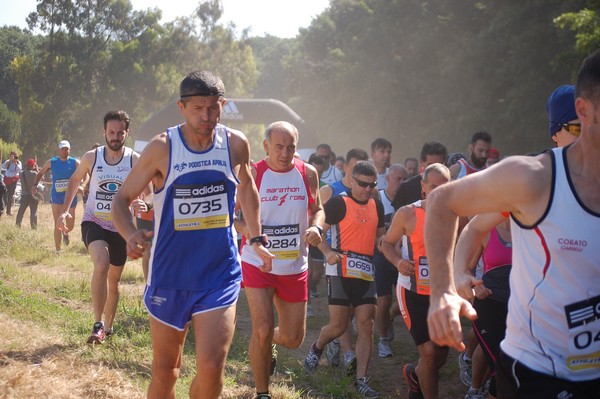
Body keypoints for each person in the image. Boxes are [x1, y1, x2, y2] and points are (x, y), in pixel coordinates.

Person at [425, 50, 600, 398]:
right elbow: (443, 202)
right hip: (538, 373)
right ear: (583, 111)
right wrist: (446, 287)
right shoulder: (533, 178)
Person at [111, 70, 273, 399]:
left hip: (219, 273)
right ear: (182, 108)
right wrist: (129, 234)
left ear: (222, 105)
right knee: (166, 371)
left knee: (212, 368)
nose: (206, 116)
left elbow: (248, 188)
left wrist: (255, 237)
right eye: (197, 108)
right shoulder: (162, 148)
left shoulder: (235, 144)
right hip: (170, 275)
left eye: (213, 108)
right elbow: (121, 199)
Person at [238, 121, 324, 399]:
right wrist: (252, 235)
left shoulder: (307, 173)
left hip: (294, 266)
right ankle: (262, 392)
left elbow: (318, 209)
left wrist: (317, 227)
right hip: (257, 262)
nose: (285, 153)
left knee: (292, 338)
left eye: (291, 148)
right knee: (261, 328)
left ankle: (267, 343)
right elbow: (234, 218)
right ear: (265, 146)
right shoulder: (253, 173)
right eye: (279, 147)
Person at [56, 110, 140, 344]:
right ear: (104, 132)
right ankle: (97, 324)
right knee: (101, 264)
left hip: (121, 227)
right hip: (94, 222)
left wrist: (146, 202)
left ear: (126, 133)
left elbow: (151, 189)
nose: (115, 137)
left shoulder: (135, 159)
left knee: (114, 281)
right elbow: (74, 180)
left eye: (119, 133)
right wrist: (65, 210)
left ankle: (109, 327)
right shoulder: (92, 157)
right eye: (111, 132)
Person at [304, 160, 385, 399]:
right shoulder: (339, 202)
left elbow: (380, 237)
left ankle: (361, 380)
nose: (367, 189)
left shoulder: (377, 205)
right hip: (340, 270)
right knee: (339, 326)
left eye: (372, 185)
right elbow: (319, 231)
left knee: (366, 324)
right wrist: (328, 253)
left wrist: (389, 246)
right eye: (363, 184)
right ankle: (317, 347)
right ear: (352, 180)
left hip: (365, 270)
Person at [381, 163, 457, 399]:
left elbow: (465, 248)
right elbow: (386, 243)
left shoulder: (458, 215)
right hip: (412, 291)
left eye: (444, 186)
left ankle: (415, 376)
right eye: (433, 186)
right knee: (429, 352)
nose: (438, 191)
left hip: (441, 294)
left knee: (441, 356)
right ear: (423, 187)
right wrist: (397, 262)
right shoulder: (407, 213)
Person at [319, 148, 370, 373]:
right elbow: (315, 221)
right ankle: (348, 351)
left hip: (361, 260)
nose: (358, 170)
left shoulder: (370, 193)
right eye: (355, 166)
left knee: (354, 311)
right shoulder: (330, 191)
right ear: (346, 167)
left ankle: (337, 343)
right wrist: (326, 250)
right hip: (335, 256)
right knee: (344, 310)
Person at [453, 213, 511, 399]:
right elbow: (466, 270)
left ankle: (479, 390)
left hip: (519, 308)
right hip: (488, 305)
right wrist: (476, 286)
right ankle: (475, 389)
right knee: (502, 366)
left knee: (508, 367)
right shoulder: (485, 230)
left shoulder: (529, 231)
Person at [374, 163, 407, 358]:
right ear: (387, 179)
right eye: (398, 179)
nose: (402, 183)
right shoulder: (378, 198)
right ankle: (383, 340)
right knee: (384, 300)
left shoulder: (410, 200)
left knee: (403, 301)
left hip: (405, 256)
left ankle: (389, 319)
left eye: (405, 179)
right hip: (382, 257)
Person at [34, 140, 80, 253]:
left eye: (67, 149)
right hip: (56, 196)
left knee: (71, 225)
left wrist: (83, 184)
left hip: (71, 197)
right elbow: (40, 173)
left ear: (69, 149)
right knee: (57, 223)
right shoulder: (51, 162)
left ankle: (66, 232)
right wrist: (35, 184)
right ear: (59, 150)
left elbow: (86, 173)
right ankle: (58, 250)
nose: (65, 151)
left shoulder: (75, 162)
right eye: (63, 149)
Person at [392, 141, 447, 210]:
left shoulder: (452, 188)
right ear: (422, 163)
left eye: (438, 165)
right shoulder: (406, 188)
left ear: (444, 164)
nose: (434, 170)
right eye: (430, 165)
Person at [15, 159, 39, 229]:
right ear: (33, 165)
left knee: (20, 213)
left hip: (24, 195)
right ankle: (34, 228)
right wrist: (37, 170)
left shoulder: (21, 173)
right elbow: (41, 178)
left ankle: (17, 226)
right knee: (33, 213)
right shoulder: (35, 174)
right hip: (32, 196)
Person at [2, 151, 22, 216]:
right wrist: (10, 161)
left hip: (13, 180)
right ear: (10, 156)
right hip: (6, 179)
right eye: (13, 156)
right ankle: (2, 209)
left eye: (15, 156)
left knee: (10, 196)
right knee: (5, 195)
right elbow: (2, 167)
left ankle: (8, 211)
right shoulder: (8, 161)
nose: (14, 157)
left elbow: (20, 170)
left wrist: (15, 163)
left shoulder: (18, 162)